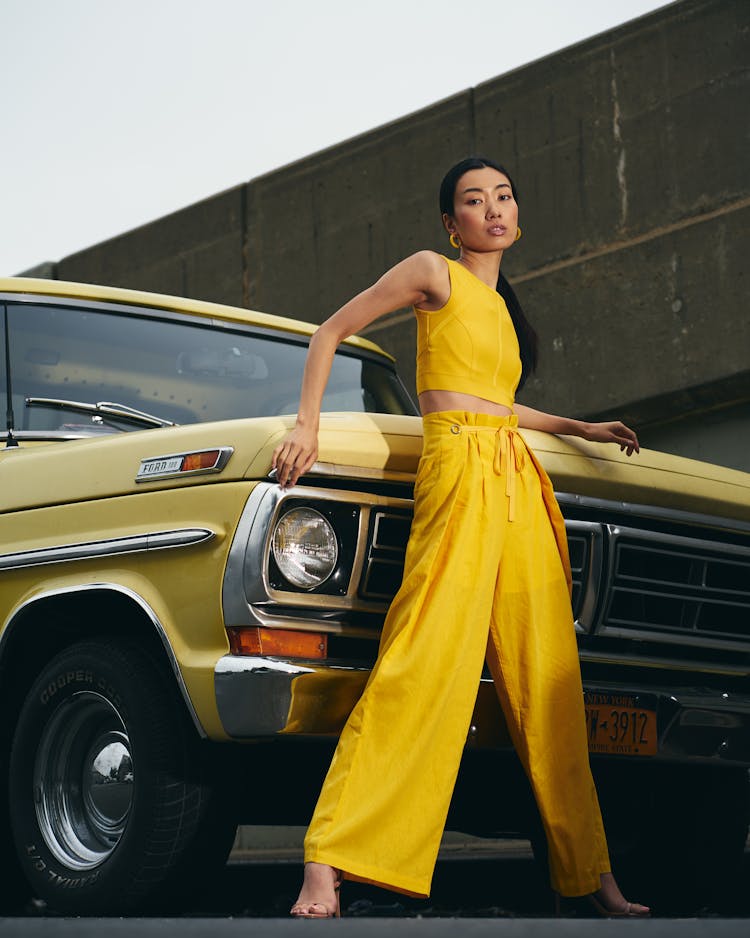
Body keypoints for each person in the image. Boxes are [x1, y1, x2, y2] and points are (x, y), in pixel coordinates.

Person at [273, 156, 649, 919]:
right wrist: (306, 424)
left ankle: (589, 872)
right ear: (453, 224)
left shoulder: (502, 308)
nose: (494, 209)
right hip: (458, 471)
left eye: (504, 196)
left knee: (550, 682)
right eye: (475, 201)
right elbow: (330, 331)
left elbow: (501, 406)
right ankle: (329, 860)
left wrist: (576, 425)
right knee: (422, 660)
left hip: (514, 478)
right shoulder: (431, 274)